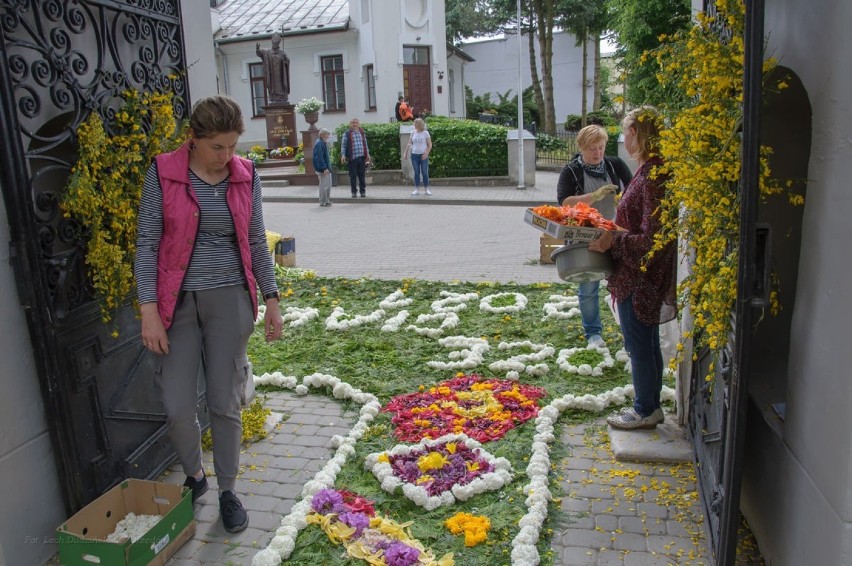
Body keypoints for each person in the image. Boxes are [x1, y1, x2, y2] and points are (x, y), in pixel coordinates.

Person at [134, 95, 284, 532]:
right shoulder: (161, 173)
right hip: (174, 305)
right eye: (218, 147)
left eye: (233, 146)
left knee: (225, 402)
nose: (227, 157)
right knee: (178, 405)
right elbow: (146, 245)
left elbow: (256, 239)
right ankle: (196, 475)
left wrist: (271, 299)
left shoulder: (246, 174)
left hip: (230, 301)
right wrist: (148, 311)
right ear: (193, 140)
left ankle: (228, 491)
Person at [588, 107, 676, 430]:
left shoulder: (654, 174)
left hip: (640, 276)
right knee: (647, 342)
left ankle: (644, 409)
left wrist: (613, 241)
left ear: (639, 133)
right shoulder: (649, 170)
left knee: (639, 344)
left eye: (626, 132)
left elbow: (653, 237)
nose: (623, 140)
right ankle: (650, 405)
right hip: (638, 273)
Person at [556, 124, 632, 349]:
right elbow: (564, 203)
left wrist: (623, 198)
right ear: (581, 148)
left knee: (623, 283)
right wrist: (593, 196)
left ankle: (628, 330)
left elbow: (632, 189)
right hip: (585, 236)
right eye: (592, 149)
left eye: (601, 148)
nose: (597, 153)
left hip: (614, 232)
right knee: (589, 287)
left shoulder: (615, 165)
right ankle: (593, 334)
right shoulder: (570, 171)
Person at [340, 117, 371, 198]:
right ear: (350, 124)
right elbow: (343, 146)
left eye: (356, 122)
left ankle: (362, 191)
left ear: (358, 124)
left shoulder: (362, 132)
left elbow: (365, 145)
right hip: (352, 159)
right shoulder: (346, 134)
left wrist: (368, 155)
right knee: (353, 176)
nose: (355, 124)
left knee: (362, 176)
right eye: (353, 123)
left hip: (362, 158)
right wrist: (343, 155)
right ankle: (354, 192)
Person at [255, 33, 290, 103]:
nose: (275, 45)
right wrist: (257, 49)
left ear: (278, 44)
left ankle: (282, 97)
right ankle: (273, 97)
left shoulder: (282, 53)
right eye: (274, 43)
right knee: (273, 86)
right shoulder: (267, 52)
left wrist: (286, 60)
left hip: (280, 74)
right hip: (272, 74)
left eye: (276, 44)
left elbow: (288, 61)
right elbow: (260, 53)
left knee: (280, 86)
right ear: (272, 43)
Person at [403, 117, 433, 195]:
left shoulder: (425, 133)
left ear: (420, 124)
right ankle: (417, 189)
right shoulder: (413, 133)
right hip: (414, 155)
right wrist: (405, 153)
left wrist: (426, 153)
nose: (414, 125)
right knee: (416, 172)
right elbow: (409, 143)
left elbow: (429, 145)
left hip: (423, 155)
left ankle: (426, 189)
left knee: (424, 172)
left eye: (415, 124)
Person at [313, 127, 333, 206]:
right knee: (324, 186)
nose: (328, 136)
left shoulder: (322, 142)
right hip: (323, 169)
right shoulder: (320, 143)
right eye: (327, 134)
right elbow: (319, 157)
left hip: (325, 169)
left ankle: (326, 201)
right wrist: (324, 168)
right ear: (322, 135)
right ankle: (323, 202)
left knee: (327, 186)